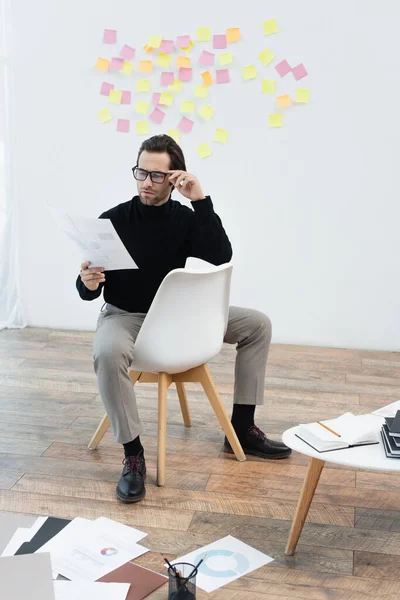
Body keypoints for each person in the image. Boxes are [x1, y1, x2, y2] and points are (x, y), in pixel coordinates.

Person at [77, 134, 291, 504]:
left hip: (178, 317)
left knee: (258, 324)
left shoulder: (186, 219)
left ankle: (240, 428)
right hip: (126, 316)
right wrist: (87, 282)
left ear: (175, 178)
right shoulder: (112, 220)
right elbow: (88, 290)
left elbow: (221, 255)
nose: (146, 181)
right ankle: (133, 454)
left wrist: (201, 202)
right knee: (108, 353)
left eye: (157, 175)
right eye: (141, 172)